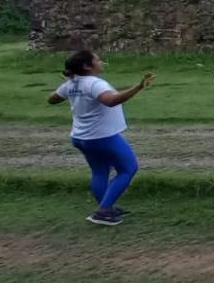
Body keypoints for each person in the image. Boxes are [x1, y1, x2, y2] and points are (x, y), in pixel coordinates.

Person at [48, 51, 154, 226]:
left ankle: (107, 207)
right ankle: (103, 210)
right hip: (101, 136)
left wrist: (71, 89)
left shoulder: (71, 83)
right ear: (87, 66)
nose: (101, 62)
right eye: (97, 60)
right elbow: (111, 100)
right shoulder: (94, 83)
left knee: (99, 171)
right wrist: (138, 87)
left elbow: (52, 99)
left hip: (80, 136)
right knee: (128, 168)